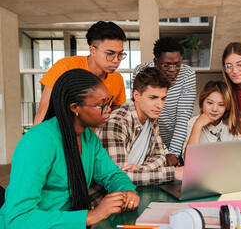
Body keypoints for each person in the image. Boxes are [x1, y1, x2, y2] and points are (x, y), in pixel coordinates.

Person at [0, 69, 139, 228]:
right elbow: (18, 219)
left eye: (108, 101)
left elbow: (112, 175)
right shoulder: (39, 141)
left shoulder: (88, 137)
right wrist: (91, 216)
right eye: (101, 105)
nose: (109, 109)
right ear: (75, 108)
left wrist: (128, 191)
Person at [89, 67, 183, 206]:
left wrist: (141, 169)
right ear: (137, 95)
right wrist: (172, 173)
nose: (160, 105)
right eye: (153, 98)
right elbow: (118, 178)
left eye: (163, 98)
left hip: (134, 195)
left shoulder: (152, 117)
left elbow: (160, 157)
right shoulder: (116, 123)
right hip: (102, 202)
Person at [33, 21, 128, 125]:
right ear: (92, 50)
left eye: (120, 54)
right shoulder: (65, 67)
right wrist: (34, 139)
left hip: (94, 139)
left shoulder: (117, 79)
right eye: (110, 54)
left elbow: (113, 117)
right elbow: (43, 112)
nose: (116, 60)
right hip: (61, 135)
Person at [133, 37, 196, 166]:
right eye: (166, 65)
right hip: (149, 140)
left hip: (176, 140)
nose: (173, 69)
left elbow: (183, 117)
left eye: (177, 64)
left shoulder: (188, 74)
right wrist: (164, 152)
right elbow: (144, 115)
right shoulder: (142, 72)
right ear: (156, 61)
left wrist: (173, 152)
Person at [184, 81, 241, 152]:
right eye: (210, 103)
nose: (214, 109)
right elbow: (189, 159)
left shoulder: (235, 122)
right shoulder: (192, 123)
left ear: (227, 107)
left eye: (221, 105)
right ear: (202, 103)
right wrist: (197, 126)